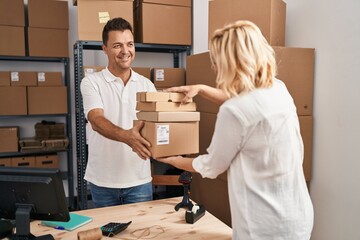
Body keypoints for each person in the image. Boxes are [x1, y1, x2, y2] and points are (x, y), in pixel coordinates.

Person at [156, 20, 314, 239]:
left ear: (232, 63)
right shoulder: (278, 89)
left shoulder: (234, 110)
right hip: (297, 216)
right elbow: (247, 106)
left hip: (263, 227)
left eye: (217, 60)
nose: (214, 67)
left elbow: (212, 166)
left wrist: (173, 159)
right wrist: (201, 89)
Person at [80, 17, 156, 208]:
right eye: (117, 45)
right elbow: (96, 120)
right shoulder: (91, 82)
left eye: (130, 44)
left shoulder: (147, 85)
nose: (125, 51)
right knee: (107, 236)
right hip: (103, 181)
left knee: (142, 235)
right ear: (104, 48)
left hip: (139, 180)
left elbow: (156, 125)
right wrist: (127, 137)